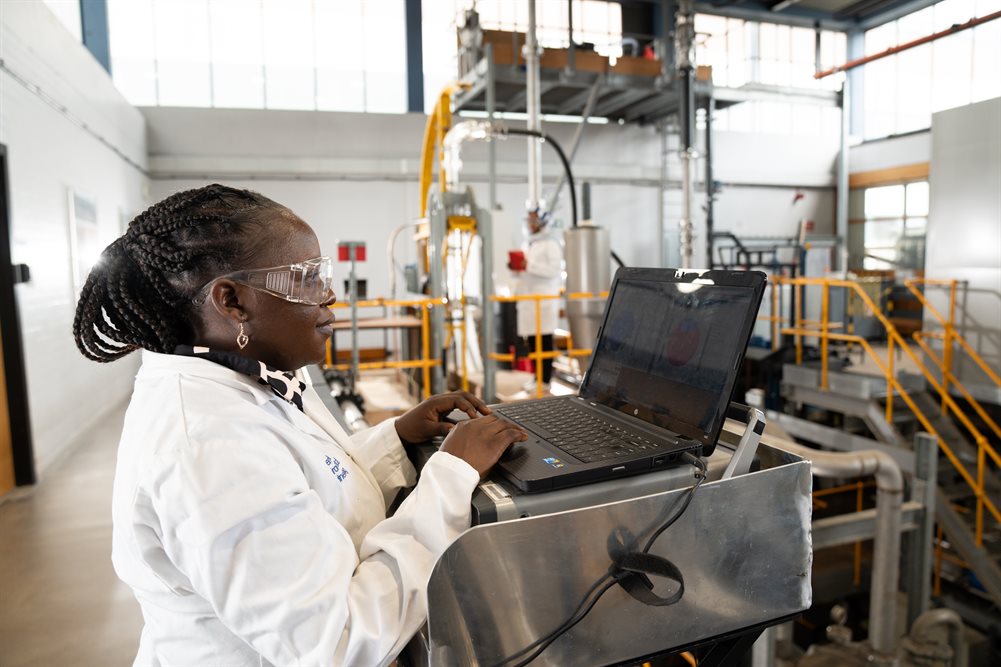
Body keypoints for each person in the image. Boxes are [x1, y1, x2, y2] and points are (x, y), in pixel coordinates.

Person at [72, 184, 527, 666]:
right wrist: (451, 476)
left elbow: (305, 483)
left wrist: (395, 437)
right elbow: (339, 641)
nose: (328, 294)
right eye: (307, 278)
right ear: (232, 301)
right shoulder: (209, 443)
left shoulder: (246, 371)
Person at [509, 207, 563, 391]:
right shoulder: (529, 244)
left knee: (545, 341)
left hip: (544, 302)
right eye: (529, 220)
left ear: (542, 222)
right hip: (529, 300)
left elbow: (553, 271)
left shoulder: (551, 245)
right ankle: (536, 377)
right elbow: (526, 272)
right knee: (532, 341)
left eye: (534, 220)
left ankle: (546, 380)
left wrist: (529, 265)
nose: (530, 224)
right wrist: (515, 267)